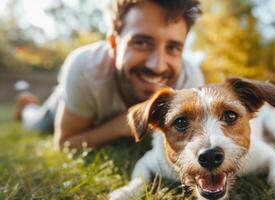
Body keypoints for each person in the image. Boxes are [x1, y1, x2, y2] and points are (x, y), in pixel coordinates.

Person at [15, 0, 204, 149]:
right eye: (141, 43)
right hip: (64, 105)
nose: (157, 66)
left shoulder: (189, 81)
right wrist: (120, 125)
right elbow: (65, 143)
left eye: (173, 47)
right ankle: (26, 105)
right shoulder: (84, 67)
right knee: (36, 123)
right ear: (113, 44)